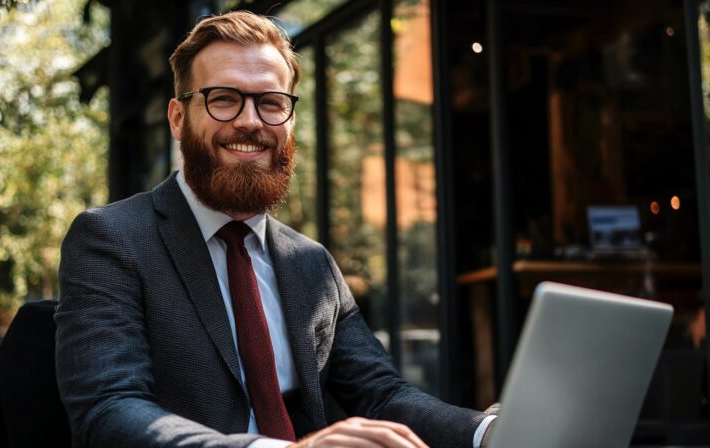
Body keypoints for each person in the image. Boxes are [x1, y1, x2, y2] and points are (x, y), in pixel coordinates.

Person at [55, 10, 497, 448]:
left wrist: (486, 432)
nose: (251, 121)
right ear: (177, 118)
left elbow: (382, 395)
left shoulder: (311, 262)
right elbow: (108, 411)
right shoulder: (111, 239)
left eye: (270, 103)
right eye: (223, 98)